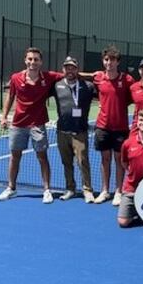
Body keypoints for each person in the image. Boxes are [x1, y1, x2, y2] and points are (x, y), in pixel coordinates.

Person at [0, 47, 63, 203]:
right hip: (18, 124)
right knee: (15, 157)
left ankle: (47, 190)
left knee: (42, 157)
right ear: (25, 60)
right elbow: (10, 97)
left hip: (38, 125)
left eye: (36, 59)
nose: (33, 62)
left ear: (41, 62)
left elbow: (70, 74)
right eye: (30, 59)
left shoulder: (48, 77)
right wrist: (4, 117)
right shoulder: (15, 78)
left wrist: (95, 75)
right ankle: (11, 188)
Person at [50, 56, 98, 203]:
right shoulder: (56, 86)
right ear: (63, 69)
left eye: (73, 68)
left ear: (77, 70)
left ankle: (87, 190)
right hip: (62, 133)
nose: (70, 70)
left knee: (83, 162)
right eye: (67, 67)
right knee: (66, 162)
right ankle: (70, 188)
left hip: (80, 133)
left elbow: (104, 91)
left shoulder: (88, 86)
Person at [92, 45, 135, 205]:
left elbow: (138, 90)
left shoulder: (127, 80)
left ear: (118, 62)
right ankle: (105, 191)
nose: (109, 62)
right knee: (105, 159)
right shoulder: (98, 78)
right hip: (102, 126)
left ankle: (118, 191)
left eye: (113, 60)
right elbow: (85, 76)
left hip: (121, 128)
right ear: (104, 61)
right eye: (106, 59)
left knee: (119, 160)